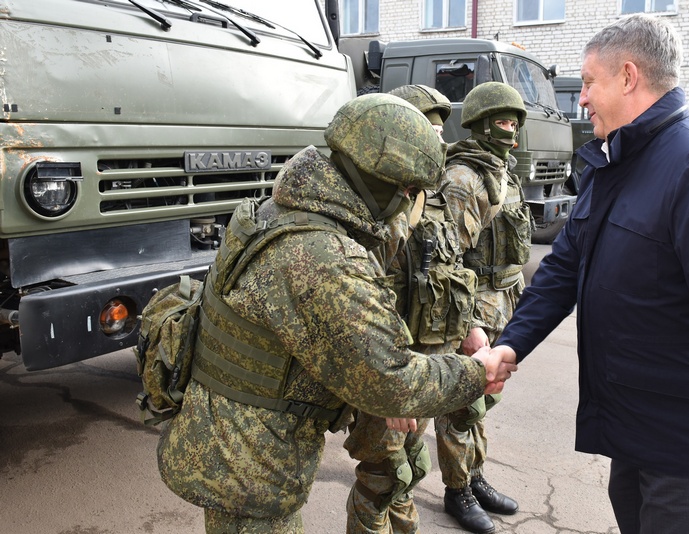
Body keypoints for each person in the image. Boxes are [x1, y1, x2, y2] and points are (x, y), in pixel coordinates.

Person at [156, 93, 515, 534]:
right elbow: (390, 379)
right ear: (375, 180)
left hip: (231, 443)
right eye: (405, 191)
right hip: (247, 465)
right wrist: (477, 373)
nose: (408, 205)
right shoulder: (324, 256)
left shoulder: (287, 208)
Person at [489, 14, 689, 534]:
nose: (580, 98)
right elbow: (563, 268)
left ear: (628, 77)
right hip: (635, 438)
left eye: (589, 82)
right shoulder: (616, 162)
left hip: (687, 456)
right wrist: (509, 346)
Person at [343, 84, 467, 534]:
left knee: (409, 469)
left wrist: (468, 328)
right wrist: (389, 390)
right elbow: (362, 308)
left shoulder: (429, 199)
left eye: (439, 132)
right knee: (382, 476)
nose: (439, 141)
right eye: (427, 131)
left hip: (423, 361)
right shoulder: (374, 210)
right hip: (388, 366)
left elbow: (453, 270)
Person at [434, 81, 532, 534]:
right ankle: (458, 491)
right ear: (479, 124)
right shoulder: (464, 178)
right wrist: (469, 324)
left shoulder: (501, 172)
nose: (511, 129)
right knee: (461, 406)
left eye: (515, 121)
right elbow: (443, 260)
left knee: (485, 400)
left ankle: (475, 475)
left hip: (504, 301)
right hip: (473, 307)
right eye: (502, 120)